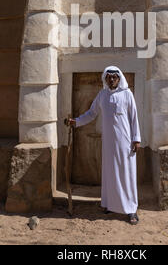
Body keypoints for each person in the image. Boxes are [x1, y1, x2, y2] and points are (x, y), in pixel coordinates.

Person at [67, 66, 141, 225]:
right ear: (105, 79)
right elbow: (91, 113)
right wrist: (76, 122)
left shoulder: (127, 94)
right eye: (109, 77)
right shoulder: (102, 95)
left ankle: (131, 209)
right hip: (109, 142)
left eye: (115, 77)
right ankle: (110, 204)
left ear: (119, 79)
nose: (112, 79)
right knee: (110, 173)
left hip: (126, 141)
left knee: (126, 173)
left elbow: (134, 117)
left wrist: (136, 139)